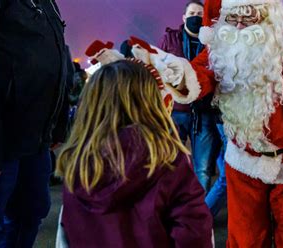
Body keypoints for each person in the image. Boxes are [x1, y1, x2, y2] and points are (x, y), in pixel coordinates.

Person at [132, 0, 283, 246]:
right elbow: (201, 73)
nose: (239, 25)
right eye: (232, 18)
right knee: (244, 237)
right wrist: (179, 74)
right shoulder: (224, 41)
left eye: (248, 17)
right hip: (244, 159)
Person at [57, 60, 213, 248]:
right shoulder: (169, 161)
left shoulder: (76, 165)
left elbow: (66, 237)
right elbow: (194, 235)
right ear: (151, 102)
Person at [0, 0, 71, 246]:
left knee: (31, 213)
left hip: (33, 139)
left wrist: (57, 124)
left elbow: (56, 57)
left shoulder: (46, 3)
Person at [158, 0, 224, 206]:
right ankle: (168, 207)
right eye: (192, 13)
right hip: (176, 112)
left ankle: (198, 212)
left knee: (202, 168)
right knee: (170, 162)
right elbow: (159, 72)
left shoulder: (213, 43)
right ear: (184, 18)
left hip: (203, 112)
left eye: (199, 14)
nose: (195, 17)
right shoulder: (170, 39)